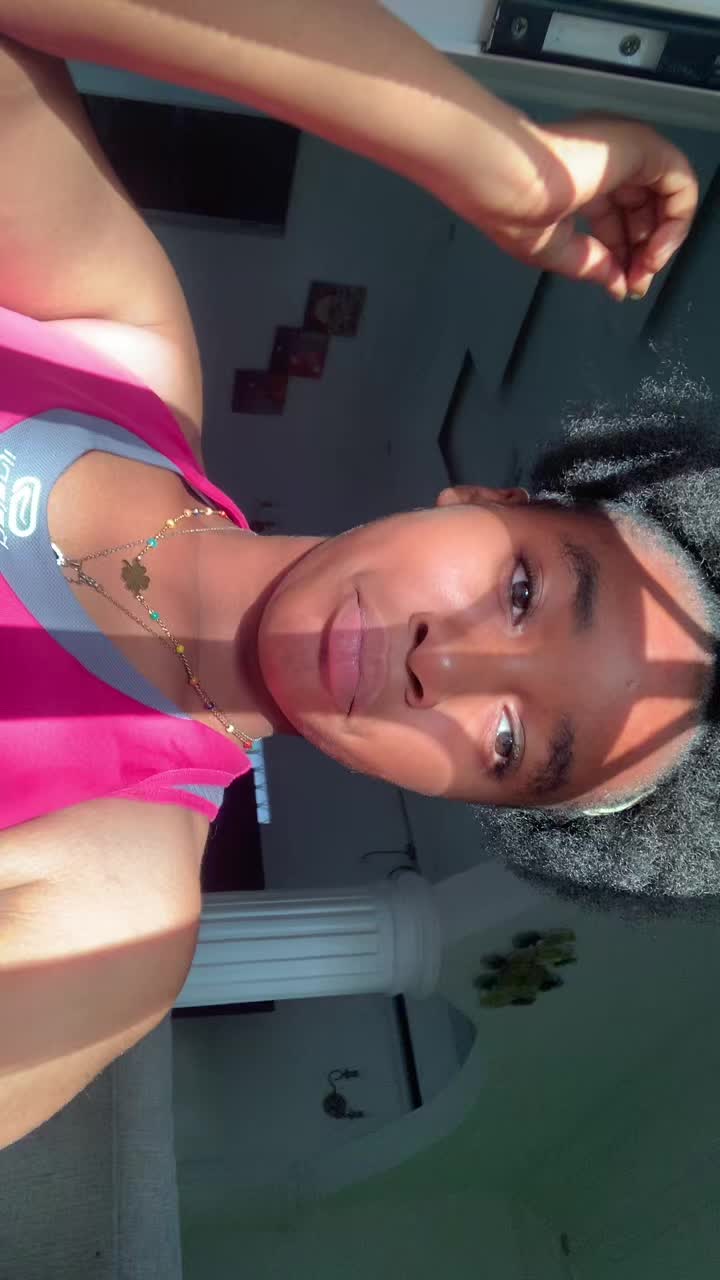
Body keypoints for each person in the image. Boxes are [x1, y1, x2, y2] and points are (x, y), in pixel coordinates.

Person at [0, 0, 707, 1147]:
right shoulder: (119, 346)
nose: (445, 664)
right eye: (523, 593)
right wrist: (489, 153)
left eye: (510, 743)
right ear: (486, 500)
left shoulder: (117, 908)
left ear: (465, 799)